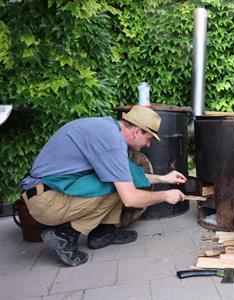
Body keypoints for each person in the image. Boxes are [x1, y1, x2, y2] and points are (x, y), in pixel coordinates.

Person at [19, 106, 186, 267]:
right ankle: (63, 235)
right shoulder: (111, 141)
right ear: (136, 131)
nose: (148, 145)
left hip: (50, 191)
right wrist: (164, 196)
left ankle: (103, 233)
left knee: (117, 182)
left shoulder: (108, 130)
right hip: (46, 202)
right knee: (119, 188)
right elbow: (131, 198)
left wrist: (164, 178)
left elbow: (127, 176)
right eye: (148, 139)